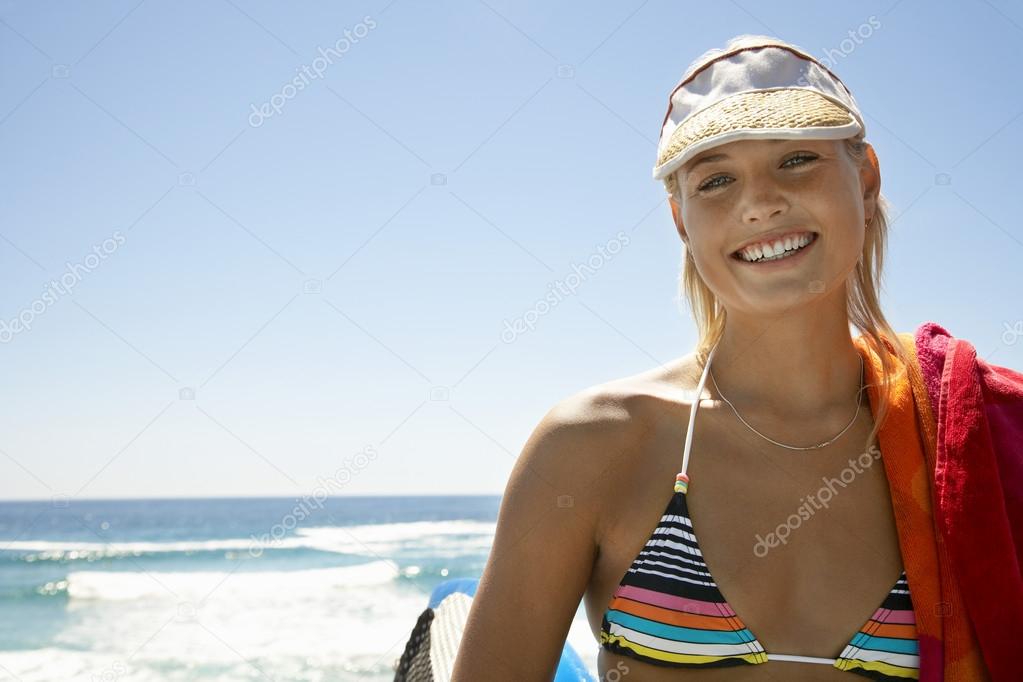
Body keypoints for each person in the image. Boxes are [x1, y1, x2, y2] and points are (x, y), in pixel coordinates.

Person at [450, 35, 1018, 681]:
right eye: (716, 179)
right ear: (681, 221)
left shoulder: (966, 438)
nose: (758, 202)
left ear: (864, 180)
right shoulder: (593, 443)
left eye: (796, 159)